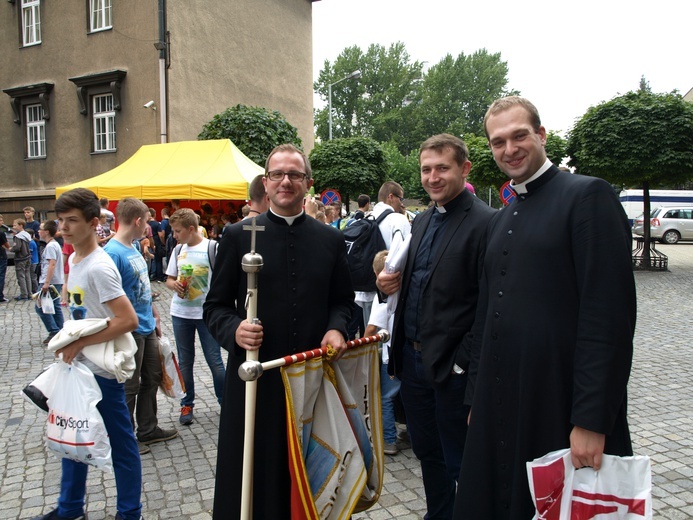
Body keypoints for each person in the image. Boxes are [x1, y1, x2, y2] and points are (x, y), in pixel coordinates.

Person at [454, 97, 636, 519]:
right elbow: (485, 315)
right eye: (498, 142)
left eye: (519, 135)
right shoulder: (501, 217)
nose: (510, 149)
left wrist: (592, 419)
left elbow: (608, 317)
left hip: (559, 401)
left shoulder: (588, 196)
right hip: (501, 401)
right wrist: (475, 400)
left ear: (541, 135)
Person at [203, 144, 354, 518]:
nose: (286, 181)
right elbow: (215, 307)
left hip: (312, 377)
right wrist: (234, 329)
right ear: (266, 183)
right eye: (277, 174)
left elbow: (344, 303)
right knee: (252, 475)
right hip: (256, 379)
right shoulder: (238, 236)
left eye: (295, 175)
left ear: (308, 183)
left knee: (309, 470)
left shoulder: (331, 240)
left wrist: (337, 328)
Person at [377, 134, 496, 519]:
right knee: (428, 454)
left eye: (442, 168)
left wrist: (466, 366)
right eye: (426, 169)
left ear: (464, 169)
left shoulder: (486, 223)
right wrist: (386, 284)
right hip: (412, 365)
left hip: (453, 370)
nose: (432, 177)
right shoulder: (423, 219)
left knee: (463, 462)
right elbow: (412, 287)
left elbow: (489, 307)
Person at [35, 187, 142, 520]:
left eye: (72, 221)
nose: (64, 228)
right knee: (73, 435)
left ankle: (130, 513)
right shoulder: (73, 258)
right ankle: (69, 509)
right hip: (77, 369)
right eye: (60, 221)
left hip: (101, 373)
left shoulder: (99, 266)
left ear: (94, 223)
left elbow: (128, 320)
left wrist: (79, 343)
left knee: (122, 446)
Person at [104, 198, 178, 455]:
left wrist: (154, 314)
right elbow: (109, 297)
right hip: (129, 329)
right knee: (129, 386)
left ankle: (148, 429)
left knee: (152, 378)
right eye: (146, 221)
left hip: (146, 325)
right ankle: (123, 440)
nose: (147, 226)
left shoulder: (134, 246)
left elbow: (142, 287)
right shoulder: (112, 253)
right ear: (137, 221)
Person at [165, 208, 226, 426]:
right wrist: (175, 287)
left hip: (206, 314)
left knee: (215, 361)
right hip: (180, 313)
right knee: (185, 361)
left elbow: (223, 279)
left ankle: (225, 402)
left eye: (178, 231)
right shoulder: (178, 249)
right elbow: (169, 279)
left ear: (191, 229)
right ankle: (187, 402)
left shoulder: (212, 247)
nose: (174, 235)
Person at [364, 250, 400, 456]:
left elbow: (371, 329)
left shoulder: (383, 297)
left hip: (389, 357)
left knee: (386, 398)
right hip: (403, 352)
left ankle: (388, 440)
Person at [35, 220, 65, 345]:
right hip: (56, 280)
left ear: (46, 232)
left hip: (50, 281)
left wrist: (46, 282)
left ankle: (54, 331)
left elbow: (52, 264)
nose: (38, 231)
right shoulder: (54, 244)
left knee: (40, 307)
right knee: (55, 306)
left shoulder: (51, 246)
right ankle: (61, 331)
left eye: (40, 229)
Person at [12, 218, 33, 300]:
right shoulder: (27, 234)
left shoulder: (18, 236)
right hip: (27, 257)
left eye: (15, 225)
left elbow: (17, 247)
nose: (13, 226)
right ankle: (29, 293)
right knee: (27, 276)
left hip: (20, 258)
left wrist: (11, 248)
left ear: (21, 225)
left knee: (21, 276)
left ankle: (24, 294)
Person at [147, 208, 165, 282]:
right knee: (158, 260)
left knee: (151, 259)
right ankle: (159, 276)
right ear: (154, 214)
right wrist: (163, 243)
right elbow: (161, 235)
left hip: (147, 243)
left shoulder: (146, 224)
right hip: (156, 243)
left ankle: (151, 274)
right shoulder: (157, 224)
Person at [27, 228, 40, 294]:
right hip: (34, 261)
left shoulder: (31, 243)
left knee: (33, 277)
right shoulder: (31, 242)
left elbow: (30, 253)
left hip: (33, 262)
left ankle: (36, 290)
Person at [0, 215, 8, 303]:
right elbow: (6, 244)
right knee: (1, 275)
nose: (2, 221)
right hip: (1, 255)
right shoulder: (1, 232)